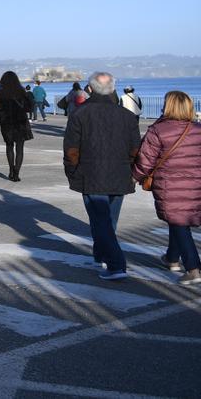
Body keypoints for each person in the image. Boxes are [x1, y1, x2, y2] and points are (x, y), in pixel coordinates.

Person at [63, 72, 142, 280]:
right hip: (120, 173)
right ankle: (100, 254)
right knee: (109, 221)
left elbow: (71, 149)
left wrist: (72, 172)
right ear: (113, 89)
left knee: (101, 221)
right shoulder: (126, 116)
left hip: (91, 174)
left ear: (90, 88)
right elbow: (136, 148)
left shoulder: (80, 114)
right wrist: (133, 171)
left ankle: (116, 264)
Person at [132, 91, 201, 285]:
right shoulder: (197, 129)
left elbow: (145, 161)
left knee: (178, 221)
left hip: (169, 185)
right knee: (178, 219)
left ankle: (194, 268)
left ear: (167, 106)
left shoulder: (158, 130)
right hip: (196, 185)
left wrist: (134, 177)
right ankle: (171, 258)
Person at [0, 71, 35, 182]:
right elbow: (29, 107)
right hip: (20, 124)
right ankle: (16, 173)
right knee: (20, 149)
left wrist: (1, 119)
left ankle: (11, 170)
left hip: (7, 124)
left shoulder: (0, 93)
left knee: (9, 147)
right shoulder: (21, 91)